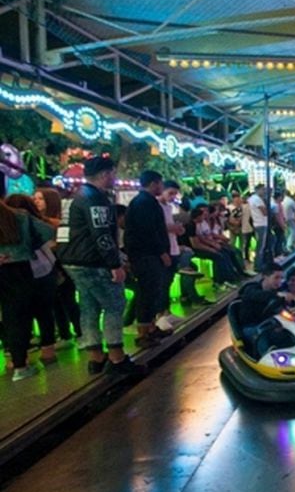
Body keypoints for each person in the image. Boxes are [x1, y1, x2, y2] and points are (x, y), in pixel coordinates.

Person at [56, 157, 138, 375]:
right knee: (114, 305)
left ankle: (96, 358)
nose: (114, 177)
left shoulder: (77, 196)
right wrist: (114, 264)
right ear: (104, 174)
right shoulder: (95, 199)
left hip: (72, 262)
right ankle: (117, 358)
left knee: (89, 307)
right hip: (94, 262)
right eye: (113, 172)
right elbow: (101, 234)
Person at [1, 198, 58, 379]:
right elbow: (48, 232)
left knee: (7, 317)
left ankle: (12, 359)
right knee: (20, 316)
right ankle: (21, 365)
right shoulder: (20, 216)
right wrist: (28, 246)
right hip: (19, 269)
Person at [125, 170, 173, 349]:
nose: (162, 187)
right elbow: (149, 232)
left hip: (147, 255)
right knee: (147, 292)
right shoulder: (144, 203)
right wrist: (162, 252)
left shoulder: (144, 201)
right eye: (160, 183)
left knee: (154, 291)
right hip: (146, 256)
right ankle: (143, 333)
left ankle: (151, 327)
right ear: (154, 183)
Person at [35, 187, 80, 343]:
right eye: (35, 198)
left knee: (68, 300)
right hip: (46, 267)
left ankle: (80, 331)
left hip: (61, 265)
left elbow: (63, 244)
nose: (36, 202)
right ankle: (64, 333)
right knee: (55, 302)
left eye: (40, 198)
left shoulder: (57, 223)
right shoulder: (36, 222)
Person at [159, 180, 208, 312]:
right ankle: (187, 299)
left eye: (175, 194)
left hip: (174, 247)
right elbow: (156, 228)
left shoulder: (168, 208)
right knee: (185, 270)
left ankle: (186, 298)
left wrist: (177, 230)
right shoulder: (156, 207)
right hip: (165, 250)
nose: (173, 197)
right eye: (171, 193)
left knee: (187, 268)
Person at [248, 184, 270, 270]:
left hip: (257, 223)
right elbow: (265, 212)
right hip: (261, 224)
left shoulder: (251, 199)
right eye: (263, 189)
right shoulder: (257, 199)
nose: (264, 191)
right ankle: (258, 265)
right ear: (258, 190)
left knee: (261, 245)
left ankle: (260, 263)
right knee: (260, 246)